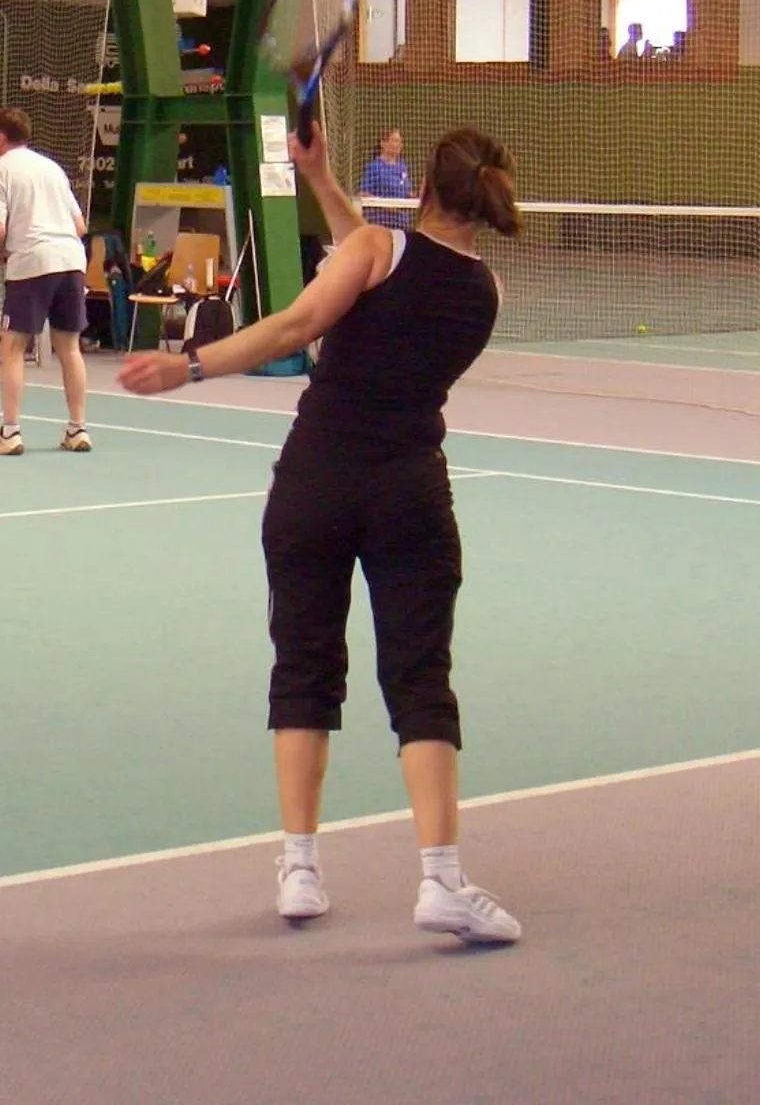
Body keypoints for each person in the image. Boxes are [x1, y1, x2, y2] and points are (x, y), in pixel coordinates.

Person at [118, 122, 524, 944]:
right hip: (410, 491)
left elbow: (300, 325)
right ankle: (441, 880)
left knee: (304, 666)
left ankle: (300, 869)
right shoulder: (484, 293)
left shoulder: (376, 250)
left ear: (421, 189)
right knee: (421, 682)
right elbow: (369, 264)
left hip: (315, 485)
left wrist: (189, 365)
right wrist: (322, 178)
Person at [0, 106, 92, 455]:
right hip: (72, 260)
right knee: (69, 348)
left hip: (33, 266)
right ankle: (77, 429)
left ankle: (9, 433)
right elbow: (80, 226)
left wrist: (3, 249)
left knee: (11, 347)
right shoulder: (52, 168)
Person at [356, 128, 413, 230]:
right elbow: (363, 194)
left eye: (400, 141)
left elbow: (407, 193)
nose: (399, 144)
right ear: (383, 143)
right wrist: (386, 206)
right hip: (380, 224)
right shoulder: (374, 167)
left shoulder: (402, 167)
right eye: (395, 141)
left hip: (401, 225)